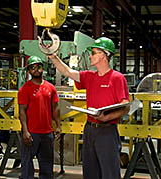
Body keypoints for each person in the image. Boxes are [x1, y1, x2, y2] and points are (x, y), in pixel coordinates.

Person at [48, 37, 130, 179]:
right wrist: (53, 56)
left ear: (103, 55)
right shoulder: (89, 77)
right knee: (90, 172)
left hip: (107, 132)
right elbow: (67, 72)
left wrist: (106, 117)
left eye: (93, 52)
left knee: (109, 173)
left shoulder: (117, 78)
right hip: (90, 129)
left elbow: (125, 107)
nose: (90, 56)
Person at [18, 56, 61, 179]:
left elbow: (55, 108)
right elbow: (22, 111)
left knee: (47, 164)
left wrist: (58, 126)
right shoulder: (24, 89)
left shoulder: (50, 88)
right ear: (29, 71)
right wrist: (25, 131)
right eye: (32, 68)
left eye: (39, 67)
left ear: (43, 68)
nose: (36, 70)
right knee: (27, 164)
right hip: (31, 133)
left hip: (47, 133)